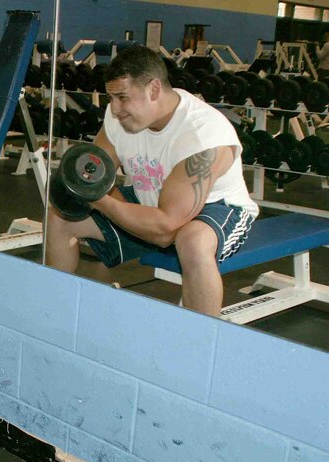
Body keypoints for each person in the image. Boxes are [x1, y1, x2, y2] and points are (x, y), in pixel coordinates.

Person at [45, 45, 258, 316]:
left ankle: (201, 342)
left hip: (215, 208)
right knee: (61, 218)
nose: (115, 109)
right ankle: (55, 312)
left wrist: (103, 201)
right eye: (111, 98)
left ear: (154, 90)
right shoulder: (118, 118)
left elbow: (166, 230)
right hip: (152, 199)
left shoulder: (203, 136)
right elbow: (95, 174)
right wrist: (106, 198)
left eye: (122, 97)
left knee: (193, 241)